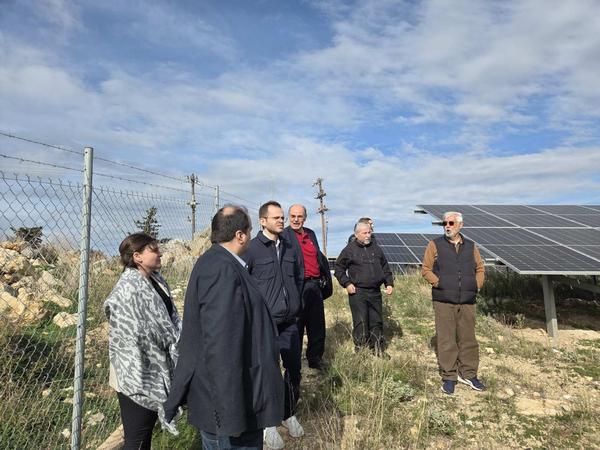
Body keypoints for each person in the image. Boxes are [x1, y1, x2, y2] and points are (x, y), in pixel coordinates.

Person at [164, 205, 284, 450]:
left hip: (233, 404)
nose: (250, 235)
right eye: (249, 230)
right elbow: (220, 344)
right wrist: (231, 415)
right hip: (231, 412)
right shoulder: (221, 269)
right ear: (240, 235)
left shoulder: (222, 263)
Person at [104, 233, 182, 450]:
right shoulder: (128, 290)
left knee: (145, 434)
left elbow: (171, 318)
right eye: (154, 250)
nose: (160, 253)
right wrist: (171, 339)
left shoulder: (156, 280)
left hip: (155, 366)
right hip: (135, 371)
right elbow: (135, 334)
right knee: (137, 437)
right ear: (137, 257)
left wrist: (174, 338)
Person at [243, 201, 304, 450]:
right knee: (268, 372)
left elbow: (298, 276)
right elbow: (243, 285)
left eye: (282, 217)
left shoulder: (289, 246)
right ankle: (267, 424)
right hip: (264, 324)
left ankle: (288, 413)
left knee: (294, 370)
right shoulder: (251, 249)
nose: (282, 221)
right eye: (276, 217)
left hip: (289, 322)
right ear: (262, 221)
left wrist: (295, 303)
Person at [421, 211, 486, 395]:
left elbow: (480, 268)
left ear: (460, 225)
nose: (447, 226)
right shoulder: (435, 244)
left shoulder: (471, 246)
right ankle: (449, 376)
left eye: (451, 223)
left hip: (467, 300)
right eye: (445, 223)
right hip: (443, 300)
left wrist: (475, 285)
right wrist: (439, 283)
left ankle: (469, 374)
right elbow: (426, 269)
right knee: (446, 338)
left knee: (468, 338)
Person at [282, 204, 333, 372]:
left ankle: (315, 358)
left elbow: (318, 257)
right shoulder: (284, 236)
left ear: (305, 218)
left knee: (317, 325)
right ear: (289, 217)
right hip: (297, 287)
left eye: (299, 216)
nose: (296, 219)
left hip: (315, 285)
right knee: (297, 325)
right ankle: (293, 363)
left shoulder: (310, 234)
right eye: (293, 216)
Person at [334, 221, 393, 357]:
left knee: (376, 321)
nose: (367, 235)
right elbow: (339, 269)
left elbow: (385, 267)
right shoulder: (349, 250)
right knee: (360, 321)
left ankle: (378, 349)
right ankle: (361, 351)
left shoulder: (376, 249)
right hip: (358, 292)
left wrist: (389, 283)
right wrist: (347, 283)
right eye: (364, 233)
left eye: (369, 232)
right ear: (356, 234)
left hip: (375, 291)